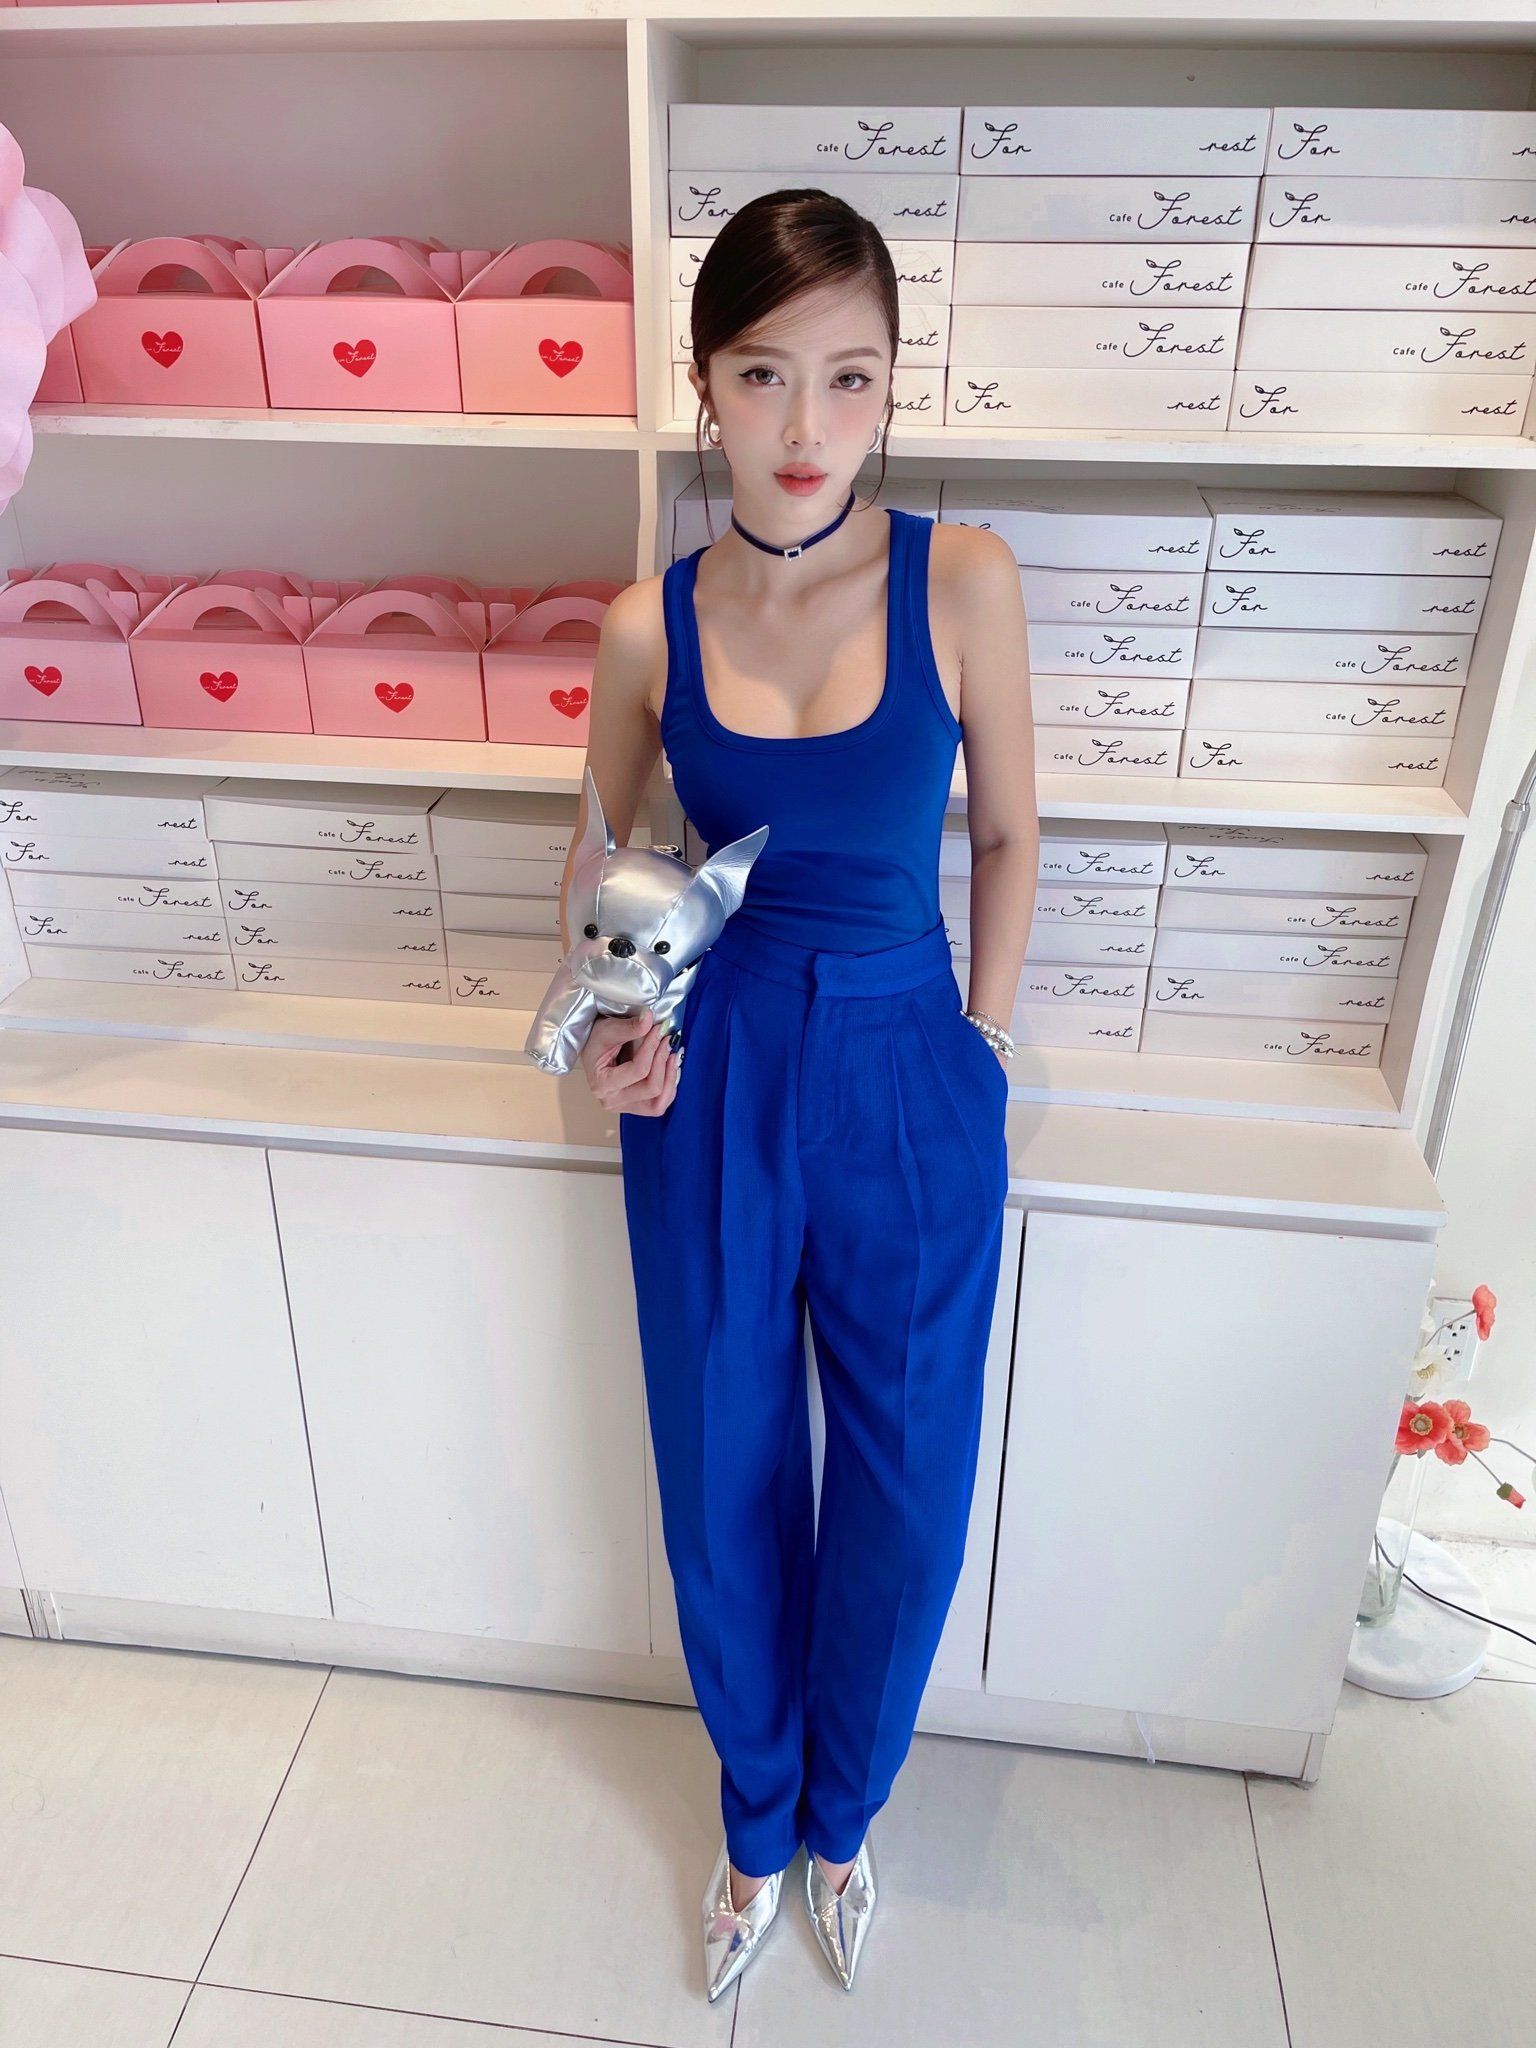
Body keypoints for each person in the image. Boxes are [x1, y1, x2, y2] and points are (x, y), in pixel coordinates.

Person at [558, 188, 1039, 1998]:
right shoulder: (648, 625)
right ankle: (757, 1820)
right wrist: (610, 1031)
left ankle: (847, 1811)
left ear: (894, 385)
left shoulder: (961, 580)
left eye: (851, 376)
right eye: (764, 373)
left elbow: (1008, 835)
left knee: (907, 1481)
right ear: (706, 384)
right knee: (722, 1461)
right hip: (717, 1064)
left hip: (911, 1063)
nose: (807, 423)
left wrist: (981, 1046)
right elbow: (601, 860)